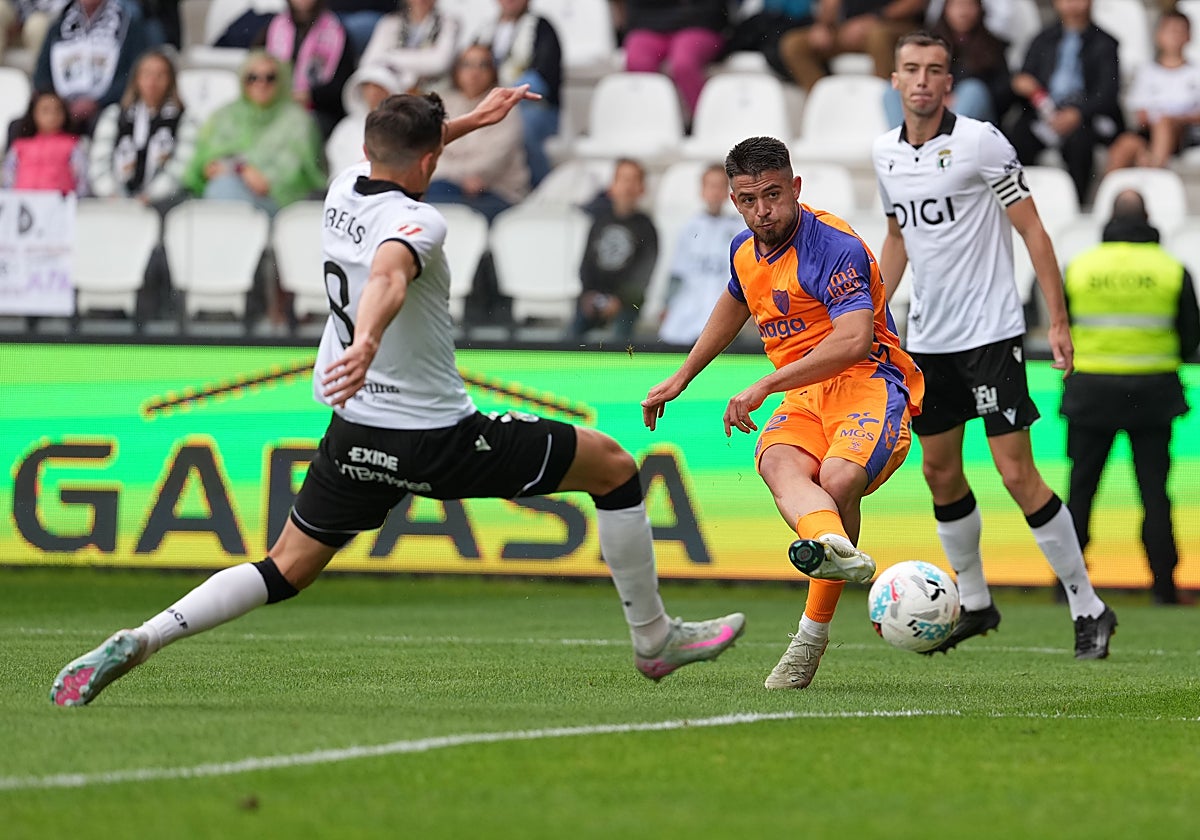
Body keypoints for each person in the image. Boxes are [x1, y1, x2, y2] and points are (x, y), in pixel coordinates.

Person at [50, 86, 745, 707]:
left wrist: (471, 119)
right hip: (439, 437)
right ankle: (654, 640)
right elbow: (386, 277)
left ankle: (144, 638)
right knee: (616, 468)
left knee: (285, 566)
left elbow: (408, 164)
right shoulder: (422, 223)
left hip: (356, 432)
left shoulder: (345, 185)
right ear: (428, 164)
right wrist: (368, 342)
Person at [642, 136, 924, 690]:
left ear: (795, 188)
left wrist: (762, 385)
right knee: (778, 464)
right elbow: (735, 300)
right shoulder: (744, 251)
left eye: (772, 195)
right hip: (804, 393)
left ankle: (809, 639)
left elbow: (851, 341)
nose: (761, 211)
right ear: (733, 198)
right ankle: (834, 546)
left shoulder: (834, 245)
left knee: (838, 478)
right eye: (747, 199)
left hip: (868, 381)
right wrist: (682, 375)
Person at [874, 31, 1117, 658]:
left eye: (933, 70)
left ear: (947, 82)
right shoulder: (886, 155)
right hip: (927, 339)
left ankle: (1088, 605)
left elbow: (1034, 232)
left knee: (1016, 472)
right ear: (895, 80)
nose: (922, 80)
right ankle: (976, 603)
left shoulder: (981, 142)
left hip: (991, 333)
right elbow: (899, 235)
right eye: (911, 69)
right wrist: (873, 310)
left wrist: (1057, 321)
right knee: (938, 470)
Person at [1061, 189, 1199, 607]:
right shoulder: (1171, 269)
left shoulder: (1080, 267)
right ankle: (1163, 588)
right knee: (1154, 493)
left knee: (1081, 492)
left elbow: (1054, 324)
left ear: (1109, 218)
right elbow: (1192, 337)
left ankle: (1066, 587)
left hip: (1091, 394)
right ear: (1148, 217)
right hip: (1153, 393)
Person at [1006, 0, 1122, 204]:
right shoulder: (1042, 40)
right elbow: (1025, 77)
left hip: (1085, 116)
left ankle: (1077, 206)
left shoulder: (1106, 43)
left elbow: (1107, 93)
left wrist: (1078, 113)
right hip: (1044, 114)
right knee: (1017, 138)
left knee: (1080, 143)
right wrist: (1022, 84)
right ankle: (1019, 206)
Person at [183, 51, 326, 216]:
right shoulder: (225, 115)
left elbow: (292, 174)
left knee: (223, 189)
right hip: (225, 191)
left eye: (270, 77)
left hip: (280, 204)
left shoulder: (298, 121)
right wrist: (240, 169)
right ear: (243, 81)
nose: (261, 83)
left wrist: (238, 170)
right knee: (222, 188)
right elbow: (206, 163)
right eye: (253, 77)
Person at [424, 43, 529, 223]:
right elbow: (430, 153)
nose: (475, 72)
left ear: (493, 71)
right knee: (434, 195)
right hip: (452, 185)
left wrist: (452, 173)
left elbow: (493, 162)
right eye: (468, 65)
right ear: (456, 70)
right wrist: (461, 178)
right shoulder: (442, 104)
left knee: (441, 207)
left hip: (494, 190)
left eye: (483, 65)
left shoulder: (505, 107)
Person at [88, 49, 196, 206]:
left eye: (160, 76)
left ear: (171, 81)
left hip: (163, 204)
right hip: (115, 202)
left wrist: (151, 196)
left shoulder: (185, 119)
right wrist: (112, 193)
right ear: (136, 79)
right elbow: (99, 161)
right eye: (146, 74)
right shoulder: (114, 115)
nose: (152, 82)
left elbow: (183, 165)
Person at [657, 162, 748, 347]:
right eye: (710, 186)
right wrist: (666, 304)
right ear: (702, 190)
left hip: (723, 308)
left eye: (719, 186)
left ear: (728, 192)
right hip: (688, 308)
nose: (715, 192)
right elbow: (677, 272)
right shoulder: (689, 228)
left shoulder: (740, 228)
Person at [567, 158, 658, 341]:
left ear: (642, 188)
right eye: (623, 180)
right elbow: (586, 262)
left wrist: (619, 300)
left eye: (634, 180)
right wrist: (588, 293)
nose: (628, 187)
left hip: (627, 302)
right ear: (612, 187)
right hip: (595, 296)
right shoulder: (600, 221)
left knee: (619, 337)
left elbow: (643, 273)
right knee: (570, 336)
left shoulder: (646, 227)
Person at [474, 0, 561, 187]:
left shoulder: (542, 27)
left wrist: (507, 94)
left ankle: (539, 189)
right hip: (490, 100)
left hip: (532, 106)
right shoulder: (486, 28)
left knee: (520, 127)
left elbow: (544, 76)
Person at [32, 0, 152, 134]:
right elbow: (41, 76)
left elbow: (134, 74)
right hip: (62, 108)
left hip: (106, 106)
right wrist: (59, 104)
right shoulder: (60, 26)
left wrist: (98, 102)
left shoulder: (128, 26)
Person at [884, 0, 1009, 127]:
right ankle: (904, 142)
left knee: (973, 90)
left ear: (979, 10)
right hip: (932, 103)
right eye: (957, 5)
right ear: (945, 9)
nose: (963, 11)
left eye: (969, 5)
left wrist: (954, 96)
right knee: (893, 89)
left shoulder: (993, 45)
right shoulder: (929, 41)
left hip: (974, 118)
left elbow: (1002, 92)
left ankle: (945, 140)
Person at [1104, 10, 1200, 174]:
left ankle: (1152, 170)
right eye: (1170, 30)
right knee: (1125, 144)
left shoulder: (1196, 72)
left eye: (1180, 31)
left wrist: (1172, 119)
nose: (1175, 36)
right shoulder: (1146, 72)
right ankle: (1108, 192)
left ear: (1189, 36)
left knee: (1164, 123)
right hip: (1150, 131)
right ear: (1158, 35)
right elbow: (1140, 114)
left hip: (1185, 133)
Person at [259, 0, 358, 139]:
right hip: (276, 104)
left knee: (293, 126)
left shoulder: (336, 31)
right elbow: (255, 64)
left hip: (320, 111)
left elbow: (342, 85)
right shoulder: (275, 26)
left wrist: (308, 96)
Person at [776, 0, 927, 92]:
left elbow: (916, 3)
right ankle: (827, 105)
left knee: (878, 36)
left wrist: (874, 18)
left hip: (897, 26)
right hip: (849, 29)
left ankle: (881, 104)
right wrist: (824, 25)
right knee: (795, 44)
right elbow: (830, 5)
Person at [344, 0, 461, 115]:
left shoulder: (448, 23)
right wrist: (419, 62)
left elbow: (439, 63)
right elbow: (368, 62)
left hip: (432, 95)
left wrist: (391, 56)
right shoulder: (390, 22)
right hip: (391, 92)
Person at [623, 0, 728, 125]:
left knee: (683, 62)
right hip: (651, 29)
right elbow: (634, 15)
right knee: (638, 61)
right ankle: (649, 123)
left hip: (699, 29)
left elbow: (713, 14)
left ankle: (706, 123)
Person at [1, 88, 86, 193]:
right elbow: (8, 175)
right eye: (45, 111)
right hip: (24, 202)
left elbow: (81, 177)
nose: (52, 116)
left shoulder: (72, 145)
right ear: (34, 114)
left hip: (59, 204)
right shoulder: (20, 145)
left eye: (57, 110)